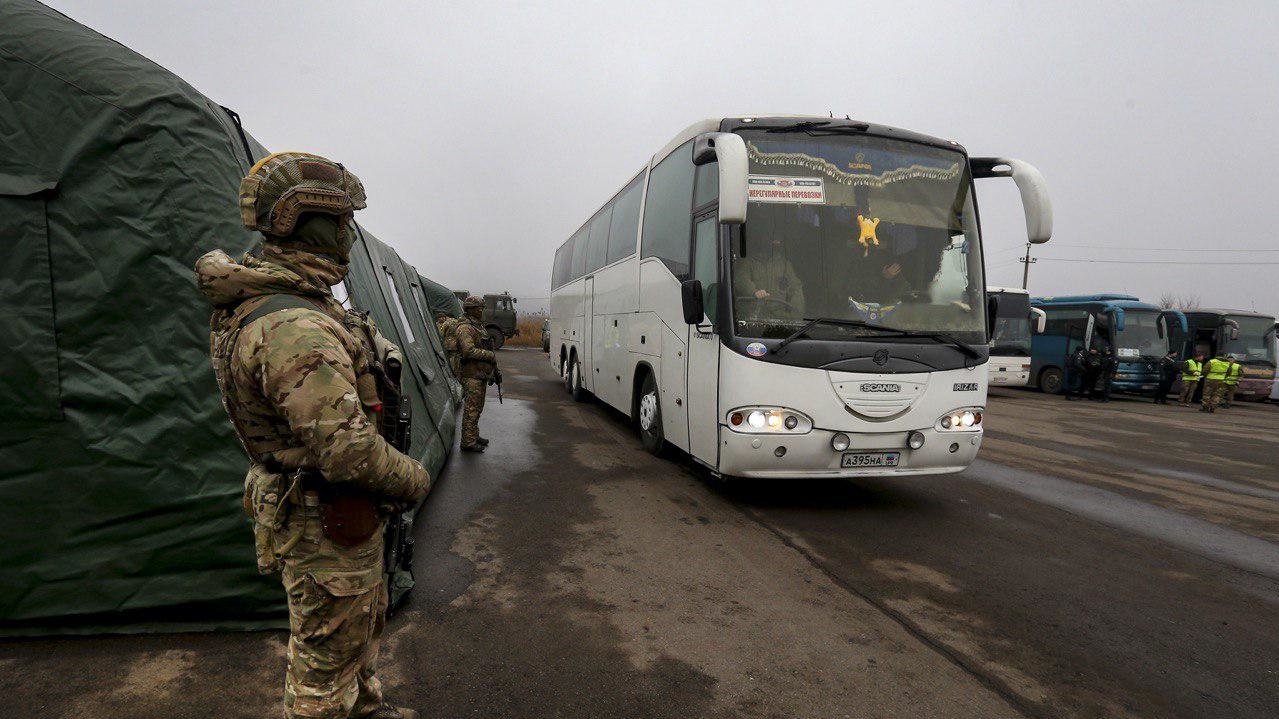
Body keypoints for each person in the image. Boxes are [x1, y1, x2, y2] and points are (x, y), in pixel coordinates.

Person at [197, 152, 428, 719]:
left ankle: (368, 709)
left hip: (333, 510)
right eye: (342, 222)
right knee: (322, 670)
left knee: (357, 632)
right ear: (312, 223)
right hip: (323, 510)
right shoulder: (294, 324)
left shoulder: (300, 303)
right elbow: (346, 449)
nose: (349, 235)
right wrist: (413, 479)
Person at [455, 295, 498, 452]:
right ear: (470, 309)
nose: (481, 310)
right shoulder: (465, 328)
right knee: (471, 409)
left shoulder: (478, 326)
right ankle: (467, 442)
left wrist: (493, 368)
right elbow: (468, 351)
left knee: (478, 408)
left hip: (480, 373)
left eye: (482, 308)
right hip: (471, 374)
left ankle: (473, 435)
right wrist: (489, 355)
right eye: (478, 308)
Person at [735, 235, 805, 316]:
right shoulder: (749, 262)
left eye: (776, 241)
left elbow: (796, 288)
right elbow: (741, 279)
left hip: (779, 316)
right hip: (754, 316)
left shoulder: (785, 265)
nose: (774, 243)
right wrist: (754, 292)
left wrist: (795, 316)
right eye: (770, 240)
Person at [436, 311, 460, 376]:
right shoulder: (455, 320)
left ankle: (455, 372)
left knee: (452, 358)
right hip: (458, 342)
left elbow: (441, 334)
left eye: (440, 318)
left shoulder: (446, 323)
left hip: (450, 344)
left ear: (443, 317)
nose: (440, 320)